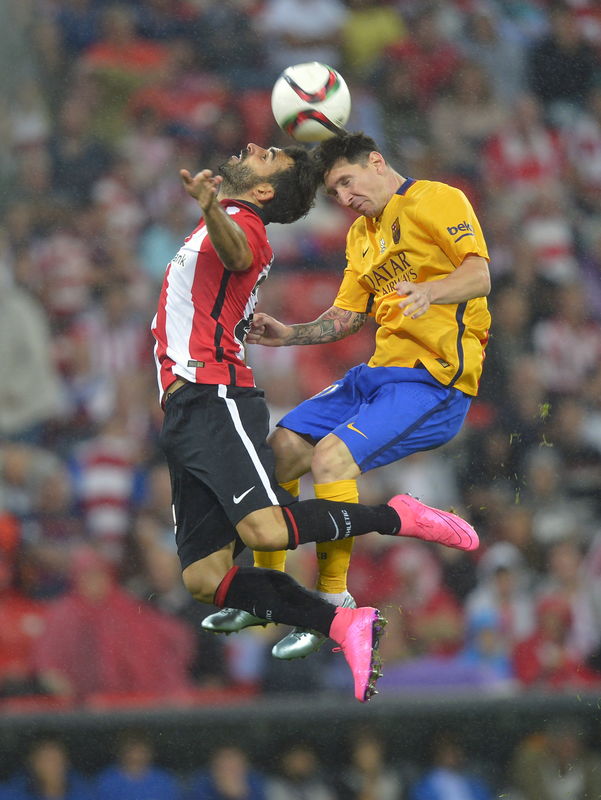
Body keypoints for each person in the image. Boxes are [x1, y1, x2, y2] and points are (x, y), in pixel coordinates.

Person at [151, 140, 479, 702]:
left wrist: (430, 290)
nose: (345, 199)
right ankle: (323, 619)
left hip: (415, 374)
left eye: (349, 183)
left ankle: (384, 529)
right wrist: (293, 334)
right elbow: (347, 316)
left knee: (302, 486)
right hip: (202, 402)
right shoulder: (358, 235)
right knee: (206, 576)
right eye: (334, 192)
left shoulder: (243, 223)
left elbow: (480, 275)